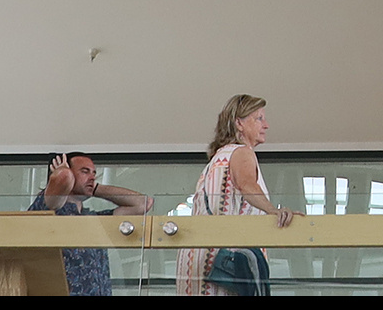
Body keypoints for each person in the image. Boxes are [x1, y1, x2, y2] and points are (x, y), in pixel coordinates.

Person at [176, 94, 297, 295]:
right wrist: (273, 211)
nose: (266, 125)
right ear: (239, 123)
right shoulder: (241, 152)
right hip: (225, 264)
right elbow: (246, 185)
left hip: (198, 257)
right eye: (259, 118)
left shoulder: (217, 158)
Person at [28, 151, 152, 296]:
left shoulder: (95, 218)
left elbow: (143, 204)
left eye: (94, 173)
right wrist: (63, 173)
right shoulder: (48, 208)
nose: (92, 177)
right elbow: (63, 179)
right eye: (84, 172)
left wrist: (95, 188)